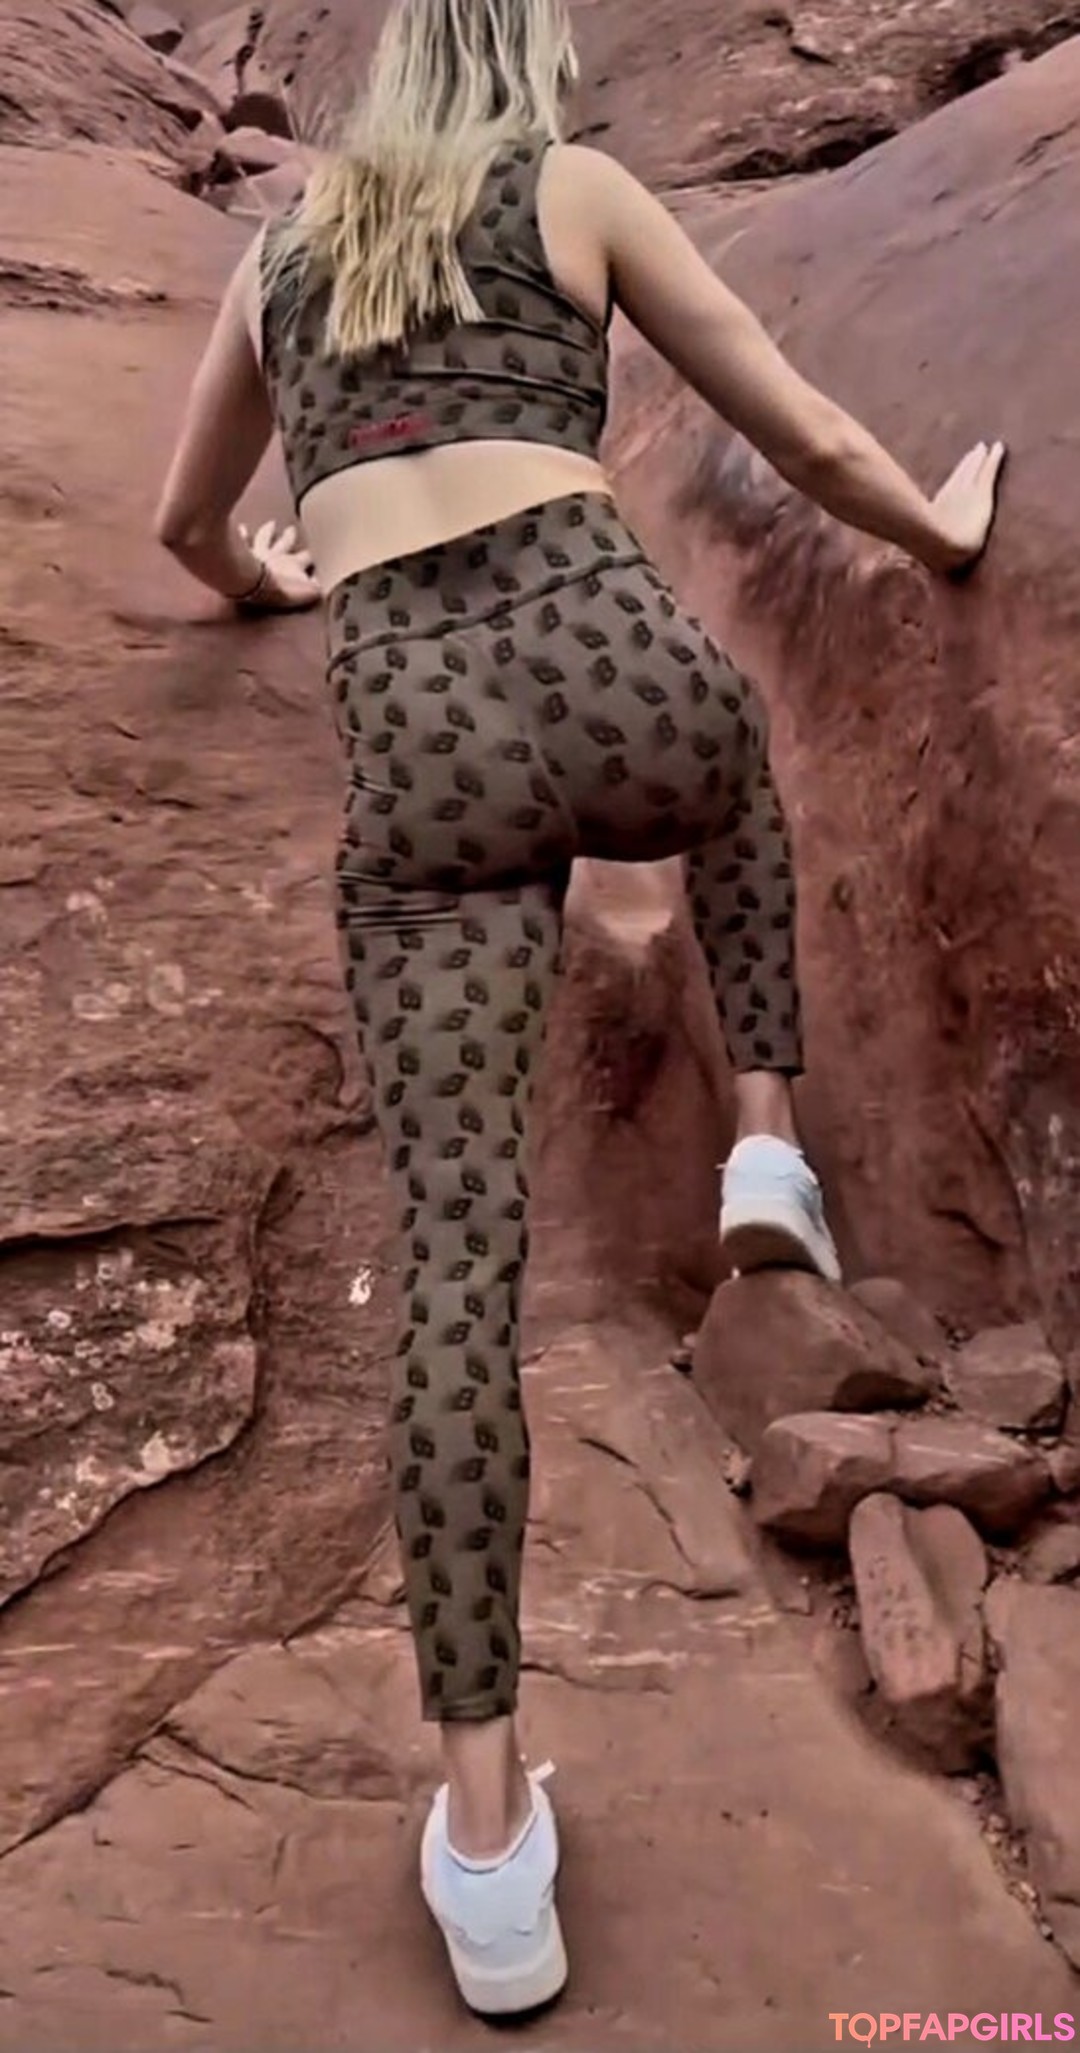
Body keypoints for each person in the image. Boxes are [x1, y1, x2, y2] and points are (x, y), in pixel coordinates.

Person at [155, 0, 1005, 2018]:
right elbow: (800, 434)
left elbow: (185, 525)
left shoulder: (277, 265)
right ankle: (769, 1145)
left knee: (456, 1280)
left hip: (426, 754)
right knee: (725, 775)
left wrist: (264, 578)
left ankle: (483, 1844)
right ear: (527, 66)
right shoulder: (580, 192)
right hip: (614, 658)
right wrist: (941, 528)